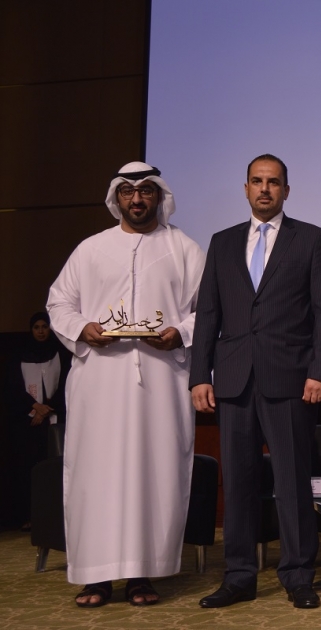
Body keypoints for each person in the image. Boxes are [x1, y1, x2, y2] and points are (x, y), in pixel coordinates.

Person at [46, 162, 205, 607]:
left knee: (154, 475)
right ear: (116, 198)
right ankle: (96, 577)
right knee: (95, 477)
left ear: (159, 196)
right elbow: (59, 303)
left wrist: (180, 333)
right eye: (128, 192)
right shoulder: (91, 249)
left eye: (146, 191)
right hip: (99, 383)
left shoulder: (184, 248)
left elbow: (208, 309)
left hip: (161, 383)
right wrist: (82, 329)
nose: (137, 200)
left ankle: (141, 575)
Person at [190, 154, 321, 609]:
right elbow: (208, 314)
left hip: (290, 378)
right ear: (246, 188)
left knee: (292, 482)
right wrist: (199, 376)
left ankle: (298, 575)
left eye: (273, 182)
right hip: (233, 380)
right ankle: (239, 576)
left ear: (286, 190)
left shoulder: (311, 239)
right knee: (238, 482)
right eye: (257, 181)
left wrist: (320, 372)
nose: (265, 189)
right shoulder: (222, 242)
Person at [5, 312, 70, 530]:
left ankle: (56, 517)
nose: (41, 331)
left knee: (54, 468)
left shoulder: (59, 353)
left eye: (44, 327)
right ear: (31, 330)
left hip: (53, 421)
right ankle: (30, 517)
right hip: (28, 423)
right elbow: (13, 387)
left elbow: (65, 386)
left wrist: (45, 410)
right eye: (36, 327)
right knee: (29, 470)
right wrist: (34, 407)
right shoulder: (19, 355)